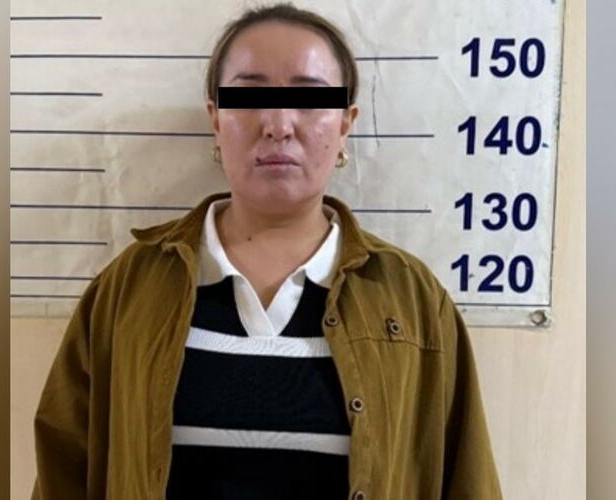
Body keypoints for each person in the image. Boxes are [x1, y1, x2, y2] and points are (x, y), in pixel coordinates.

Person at [31, 3, 502, 499]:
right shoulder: (129, 289)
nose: (278, 124)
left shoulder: (411, 300)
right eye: (250, 96)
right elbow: (64, 468)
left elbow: (466, 478)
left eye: (310, 99)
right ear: (216, 118)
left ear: (345, 123)